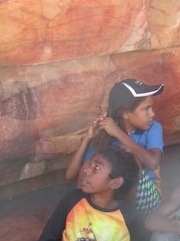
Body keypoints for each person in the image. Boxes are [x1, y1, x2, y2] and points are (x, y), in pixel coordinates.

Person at [65, 78, 165, 216]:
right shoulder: (106, 135)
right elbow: (70, 175)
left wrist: (118, 134)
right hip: (113, 196)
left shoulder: (153, 128)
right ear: (125, 113)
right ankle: (85, 218)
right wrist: (87, 139)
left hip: (146, 199)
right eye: (146, 109)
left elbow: (152, 162)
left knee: (130, 158)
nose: (152, 114)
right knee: (93, 171)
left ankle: (129, 222)